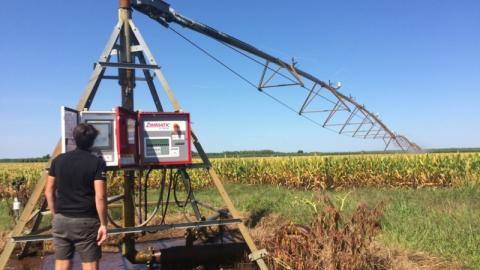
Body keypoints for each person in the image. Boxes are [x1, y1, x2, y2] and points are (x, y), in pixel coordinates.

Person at [45, 123, 108, 270]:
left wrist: (56, 215)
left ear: (74, 138)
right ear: (93, 141)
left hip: (61, 220)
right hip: (86, 222)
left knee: (61, 264)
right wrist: (104, 224)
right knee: (90, 265)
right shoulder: (97, 163)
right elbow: (100, 197)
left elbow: (48, 191)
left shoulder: (57, 160)